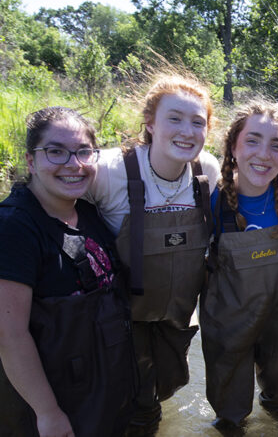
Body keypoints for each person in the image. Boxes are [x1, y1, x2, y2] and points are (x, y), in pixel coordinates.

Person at [0, 107, 135, 436]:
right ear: (30, 161)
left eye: (83, 152)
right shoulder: (6, 228)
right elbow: (9, 336)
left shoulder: (88, 213)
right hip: (45, 410)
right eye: (56, 152)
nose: (73, 164)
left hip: (100, 393)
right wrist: (48, 412)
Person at [85, 73, 221, 435]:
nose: (187, 131)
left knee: (163, 393)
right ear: (150, 123)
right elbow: (57, 204)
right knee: (137, 409)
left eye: (198, 122)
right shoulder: (109, 170)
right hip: (123, 317)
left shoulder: (206, 171)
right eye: (174, 118)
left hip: (176, 317)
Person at [201, 99, 278, 430]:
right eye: (252, 140)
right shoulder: (211, 197)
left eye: (276, 145)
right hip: (230, 320)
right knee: (229, 419)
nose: (264, 154)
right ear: (233, 146)